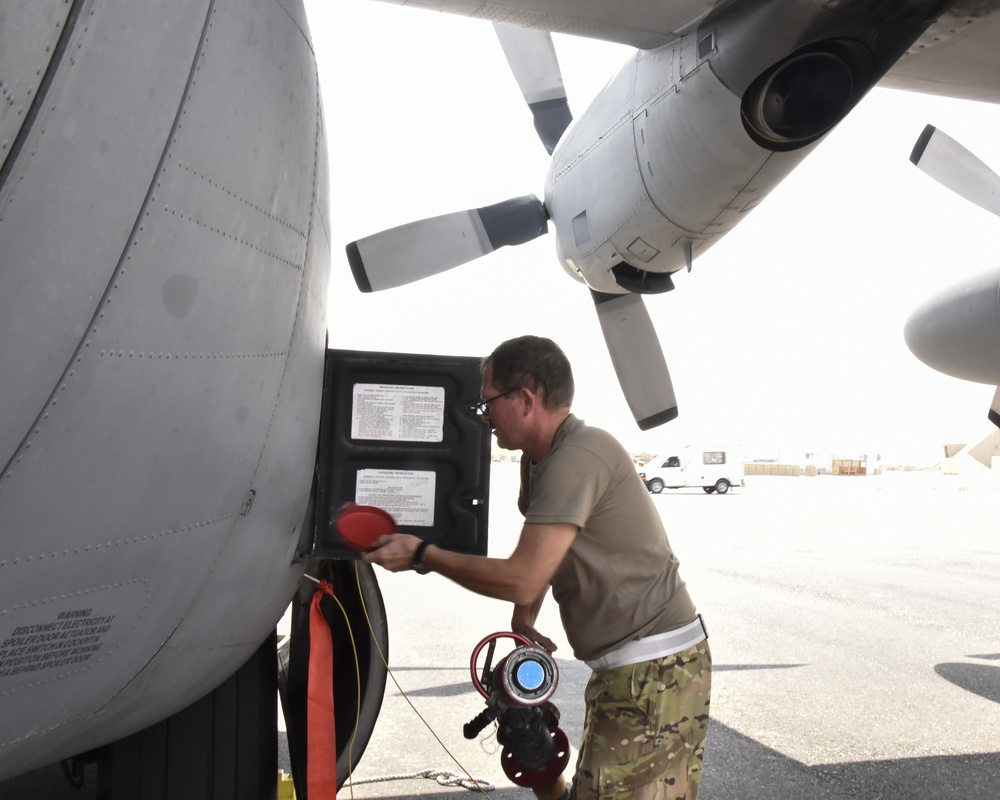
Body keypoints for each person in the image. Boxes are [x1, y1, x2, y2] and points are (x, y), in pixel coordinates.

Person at [364, 335, 711, 800]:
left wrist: (422, 555)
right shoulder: (540, 460)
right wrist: (523, 616)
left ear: (525, 400)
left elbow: (524, 574)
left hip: (654, 672)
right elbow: (549, 554)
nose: (483, 416)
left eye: (488, 403)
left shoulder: (579, 455)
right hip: (628, 670)